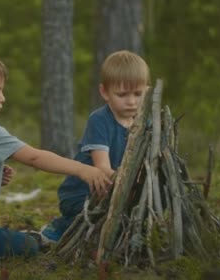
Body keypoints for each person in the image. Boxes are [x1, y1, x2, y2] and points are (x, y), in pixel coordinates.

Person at [0, 49, 113, 258]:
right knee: (29, 247)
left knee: (14, 238)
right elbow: (34, 157)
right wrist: (81, 169)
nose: (2, 98)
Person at [40, 50, 150, 243]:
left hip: (118, 192)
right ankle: (60, 228)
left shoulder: (146, 125)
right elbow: (103, 169)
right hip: (83, 194)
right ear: (104, 92)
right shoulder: (100, 120)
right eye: (122, 94)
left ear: (147, 91)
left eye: (138, 94)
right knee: (90, 219)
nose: (131, 101)